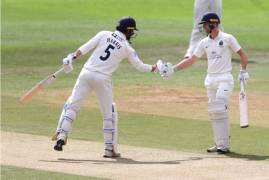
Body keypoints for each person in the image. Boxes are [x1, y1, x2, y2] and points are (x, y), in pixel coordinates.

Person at [52, 16, 160, 158]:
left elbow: (85, 48)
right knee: (109, 113)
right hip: (103, 79)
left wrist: (71, 57)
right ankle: (109, 149)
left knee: (72, 105)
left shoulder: (104, 34)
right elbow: (140, 66)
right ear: (129, 31)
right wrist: (156, 68)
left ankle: (62, 135)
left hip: (86, 73)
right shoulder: (127, 48)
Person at [162, 12, 249, 153]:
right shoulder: (204, 43)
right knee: (214, 112)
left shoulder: (228, 38)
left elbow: (243, 55)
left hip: (224, 79)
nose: (203, 28)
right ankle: (219, 143)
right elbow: (191, 60)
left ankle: (224, 145)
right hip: (210, 80)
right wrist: (174, 69)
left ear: (213, 24)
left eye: (205, 25)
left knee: (220, 108)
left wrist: (243, 71)